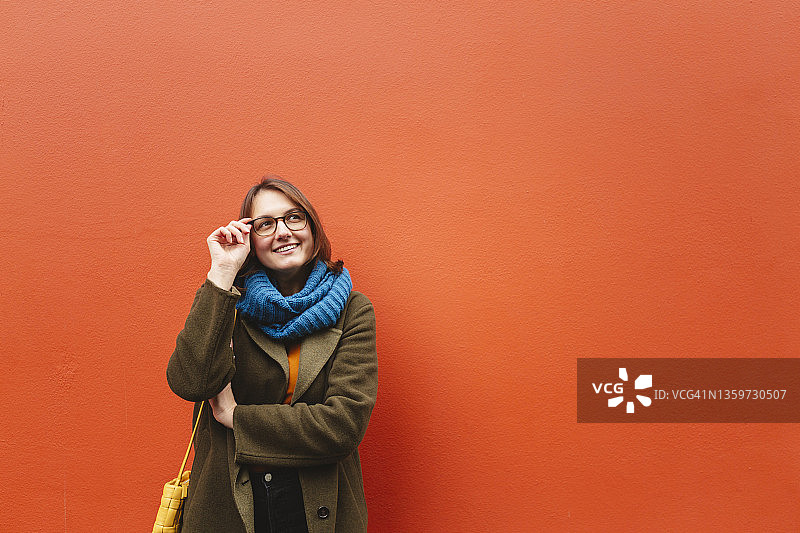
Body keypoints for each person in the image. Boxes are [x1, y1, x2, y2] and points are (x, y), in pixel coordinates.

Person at [167, 177, 378, 533]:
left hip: (317, 507)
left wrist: (236, 417)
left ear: (312, 227)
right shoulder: (227, 302)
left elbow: (342, 426)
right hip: (230, 506)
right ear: (250, 238)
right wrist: (222, 273)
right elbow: (191, 383)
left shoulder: (352, 310)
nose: (282, 232)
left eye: (294, 217)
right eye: (265, 224)